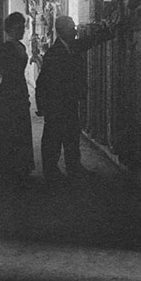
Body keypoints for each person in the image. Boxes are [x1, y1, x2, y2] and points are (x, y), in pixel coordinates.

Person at [34, 15, 89, 186]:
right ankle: (51, 171)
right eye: (71, 27)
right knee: (54, 138)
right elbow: (42, 82)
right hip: (57, 103)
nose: (74, 30)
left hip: (68, 101)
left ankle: (74, 166)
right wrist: (43, 106)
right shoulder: (55, 53)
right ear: (61, 31)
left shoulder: (70, 47)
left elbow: (89, 42)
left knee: (72, 135)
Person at [0, 12, 34, 188]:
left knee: (18, 128)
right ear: (9, 30)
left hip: (18, 88)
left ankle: (19, 167)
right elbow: (10, 71)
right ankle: (8, 168)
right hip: (9, 91)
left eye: (22, 27)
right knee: (9, 129)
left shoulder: (20, 46)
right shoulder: (5, 48)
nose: (21, 31)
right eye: (18, 28)